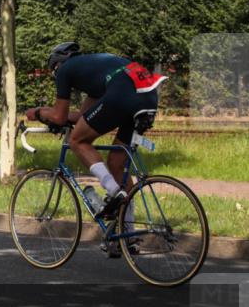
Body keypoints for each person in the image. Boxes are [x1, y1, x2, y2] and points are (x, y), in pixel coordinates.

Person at [25, 42, 166, 221]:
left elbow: (59, 117)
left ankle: (114, 191)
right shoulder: (96, 70)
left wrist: (38, 112)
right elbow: (83, 117)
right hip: (147, 95)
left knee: (77, 141)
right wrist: (52, 115)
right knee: (116, 164)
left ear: (56, 65)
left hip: (123, 92)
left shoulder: (64, 69)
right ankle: (127, 235)